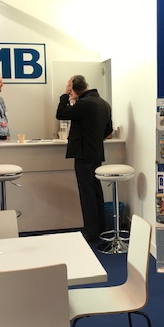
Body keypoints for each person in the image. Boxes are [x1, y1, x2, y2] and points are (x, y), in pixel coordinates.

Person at [56, 75, 113, 242]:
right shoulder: (104, 103)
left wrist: (65, 94)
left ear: (73, 88)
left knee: (87, 194)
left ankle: (91, 232)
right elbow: (108, 130)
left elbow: (60, 113)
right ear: (87, 85)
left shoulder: (84, 104)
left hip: (83, 154)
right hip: (96, 153)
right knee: (96, 191)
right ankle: (101, 226)